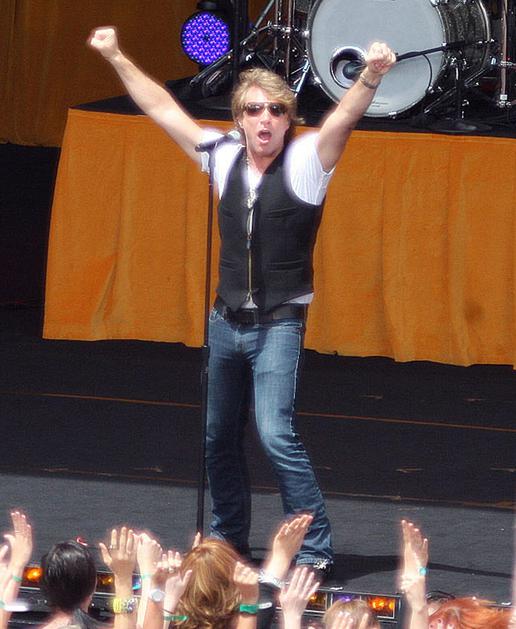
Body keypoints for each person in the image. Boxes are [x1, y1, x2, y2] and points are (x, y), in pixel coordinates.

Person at [87, 26, 396, 577]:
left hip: (279, 323)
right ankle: (228, 539)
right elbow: (162, 107)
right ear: (239, 119)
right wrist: (115, 55)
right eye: (254, 110)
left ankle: (314, 545)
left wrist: (370, 76)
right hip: (225, 321)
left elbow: (343, 119)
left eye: (277, 110)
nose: (265, 119)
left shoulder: (306, 162)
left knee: (276, 434)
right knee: (217, 438)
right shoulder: (222, 157)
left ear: (288, 119)